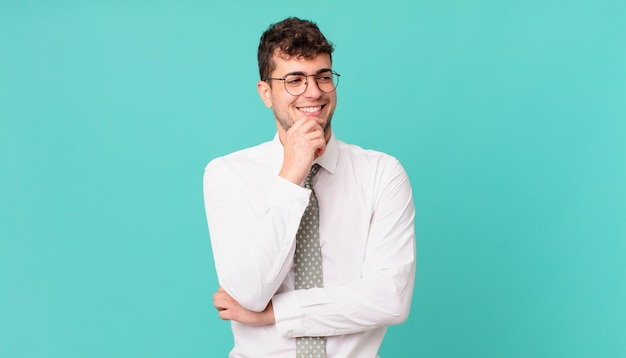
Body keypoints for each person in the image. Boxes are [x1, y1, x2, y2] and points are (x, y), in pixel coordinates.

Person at [203, 17, 416, 357]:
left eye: (323, 76)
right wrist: (292, 173)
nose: (313, 92)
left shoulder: (381, 173)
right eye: (295, 80)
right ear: (265, 93)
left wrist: (274, 315)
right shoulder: (227, 174)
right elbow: (249, 293)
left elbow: (389, 299)